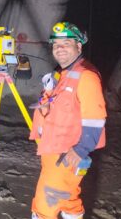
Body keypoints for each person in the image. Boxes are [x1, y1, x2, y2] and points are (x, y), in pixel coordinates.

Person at [29, 22, 107, 219]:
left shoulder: (86, 76)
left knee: (45, 206)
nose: (60, 48)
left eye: (66, 43)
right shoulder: (61, 74)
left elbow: (95, 118)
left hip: (65, 154)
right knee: (69, 200)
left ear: (79, 47)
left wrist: (81, 149)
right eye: (56, 45)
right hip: (54, 150)